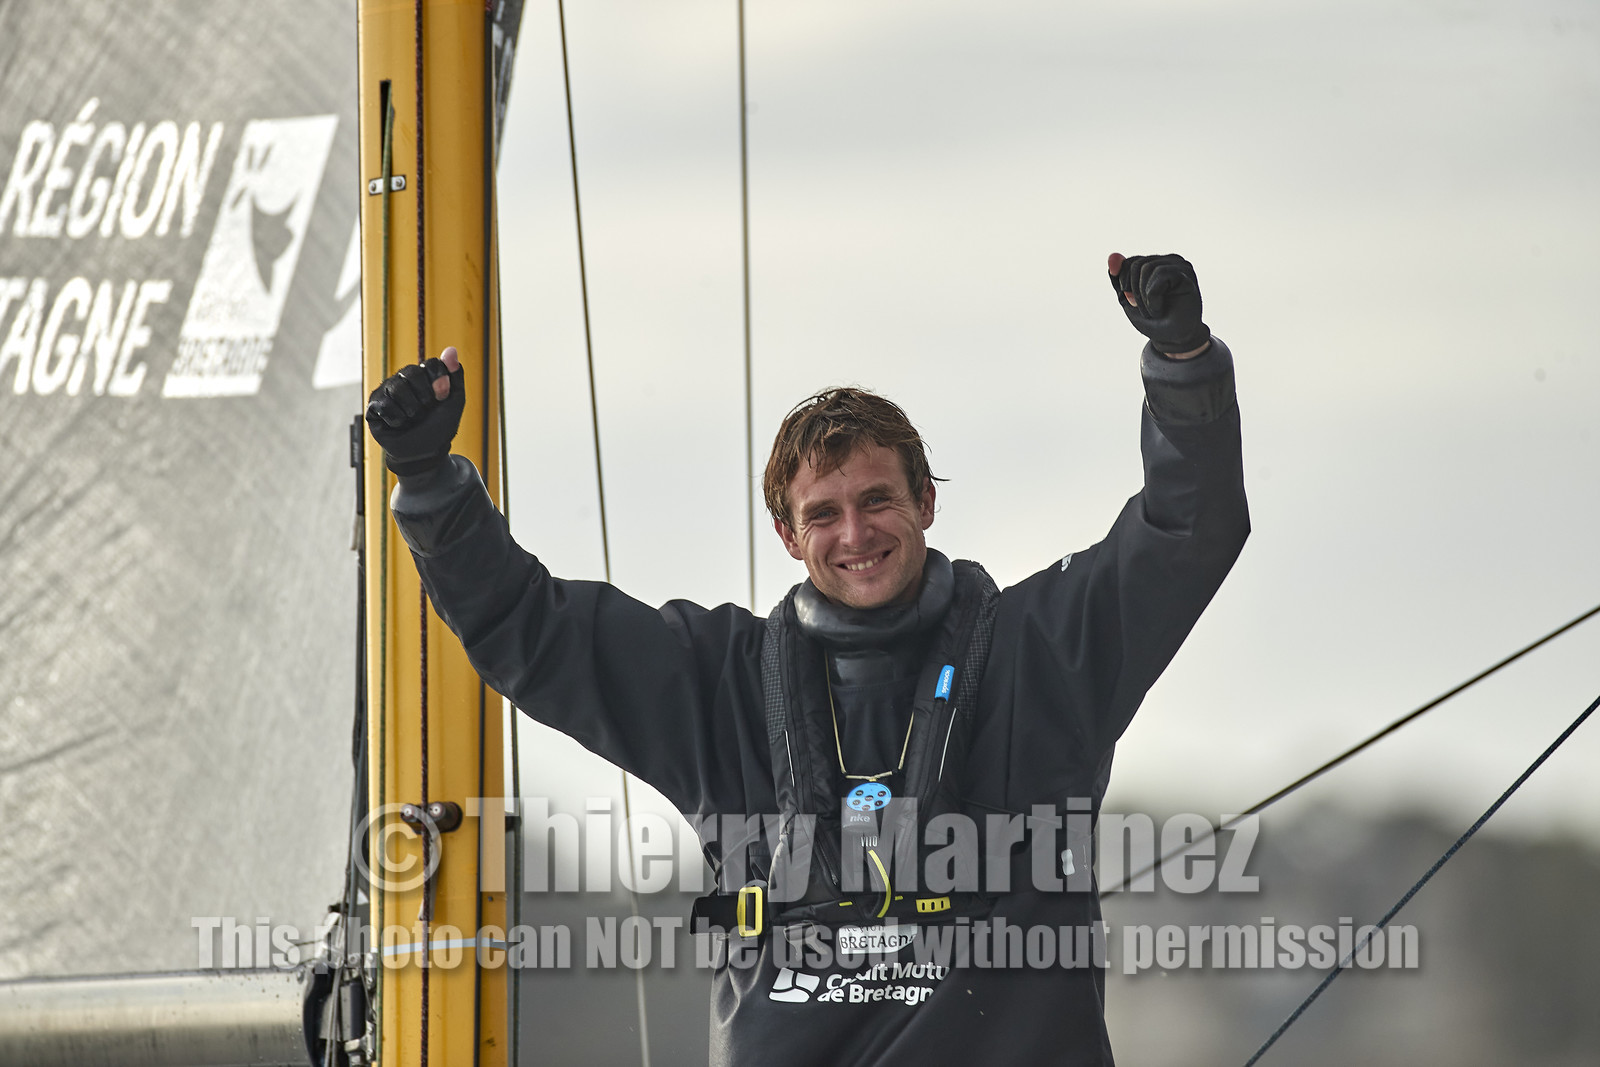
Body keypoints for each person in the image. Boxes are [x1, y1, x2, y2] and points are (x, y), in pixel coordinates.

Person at [366, 252, 1249, 1065]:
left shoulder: (1046, 652)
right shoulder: (717, 684)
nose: (855, 533)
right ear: (787, 535)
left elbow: (1188, 529)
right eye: (823, 513)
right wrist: (428, 477)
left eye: (877, 500)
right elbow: (528, 628)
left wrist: (1182, 364)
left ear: (927, 502)